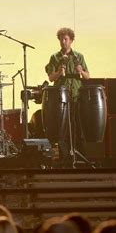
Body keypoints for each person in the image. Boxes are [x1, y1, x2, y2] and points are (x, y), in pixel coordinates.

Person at [45, 28, 89, 166]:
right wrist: (59, 71)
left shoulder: (78, 56)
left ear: (71, 40)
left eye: (66, 39)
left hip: (76, 95)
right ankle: (65, 157)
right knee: (63, 128)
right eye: (61, 39)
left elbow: (88, 76)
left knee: (77, 126)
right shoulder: (54, 57)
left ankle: (79, 155)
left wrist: (81, 71)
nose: (63, 42)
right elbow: (51, 78)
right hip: (61, 98)